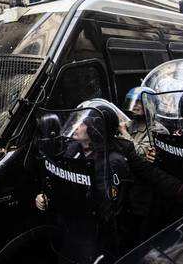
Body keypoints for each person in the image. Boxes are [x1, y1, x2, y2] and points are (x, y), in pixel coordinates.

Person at [34, 104, 132, 263]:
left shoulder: (112, 161)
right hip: (71, 230)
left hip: (95, 238)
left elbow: (109, 209)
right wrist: (45, 197)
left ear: (94, 129)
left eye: (81, 124)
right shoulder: (71, 150)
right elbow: (59, 181)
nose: (76, 127)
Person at [119, 87, 168, 157]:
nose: (133, 106)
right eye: (132, 102)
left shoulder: (158, 130)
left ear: (149, 105)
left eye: (138, 102)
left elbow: (142, 154)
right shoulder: (130, 124)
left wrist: (124, 132)